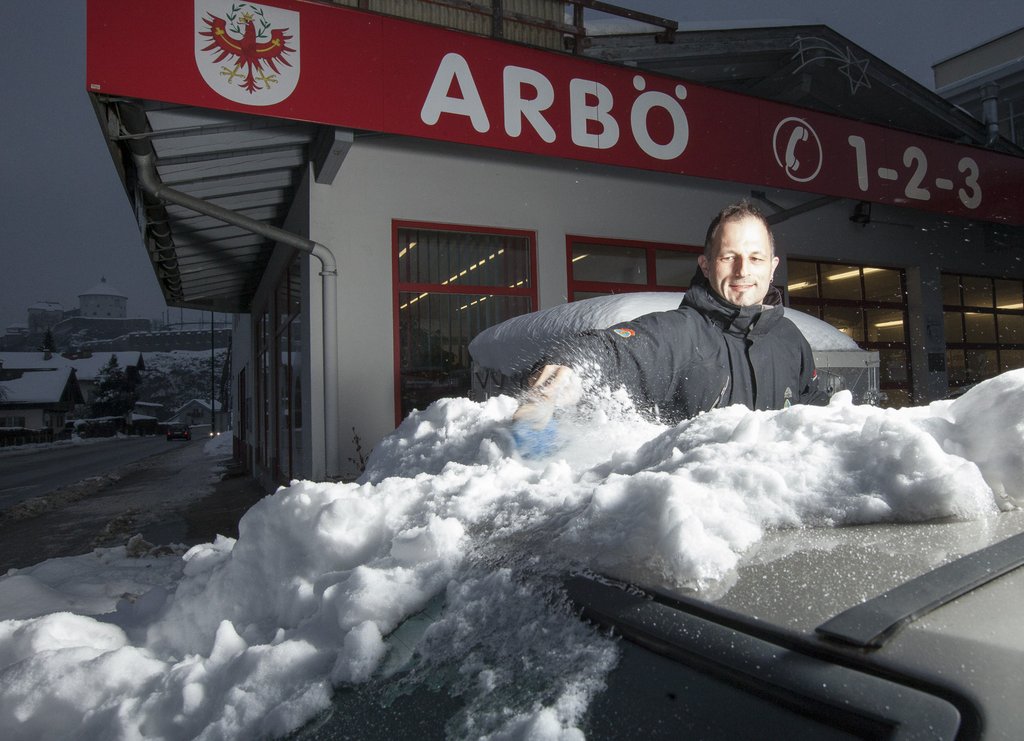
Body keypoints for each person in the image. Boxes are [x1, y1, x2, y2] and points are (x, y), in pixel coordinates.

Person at [514, 201, 826, 428]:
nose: (743, 270)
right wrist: (571, 367)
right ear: (706, 265)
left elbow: (814, 412)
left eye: (755, 258)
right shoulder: (679, 334)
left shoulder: (791, 340)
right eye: (729, 257)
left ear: (772, 268)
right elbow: (614, 349)